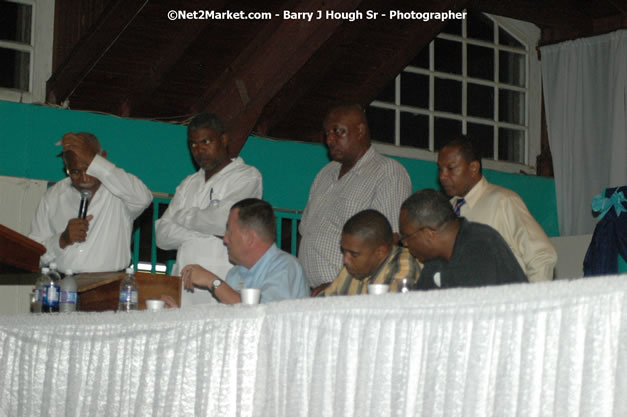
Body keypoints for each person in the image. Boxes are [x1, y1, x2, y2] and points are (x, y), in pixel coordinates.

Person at [299, 104, 412, 290]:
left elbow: (387, 242)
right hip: (309, 292)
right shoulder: (325, 174)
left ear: (360, 130)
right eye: (327, 133)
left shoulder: (388, 172)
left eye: (337, 131)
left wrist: (340, 285)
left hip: (350, 292)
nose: (330, 139)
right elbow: (306, 233)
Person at [155, 113, 262, 305]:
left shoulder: (246, 176)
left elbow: (223, 222)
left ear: (224, 139)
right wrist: (206, 229)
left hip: (223, 288)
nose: (199, 150)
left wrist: (181, 217)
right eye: (193, 144)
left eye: (206, 141)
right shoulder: (188, 183)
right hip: (184, 291)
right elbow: (162, 236)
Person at [437, 136, 557, 282]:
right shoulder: (445, 211)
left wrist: (533, 302)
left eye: (451, 168)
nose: (443, 176)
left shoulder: (502, 201)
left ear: (474, 168)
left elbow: (542, 255)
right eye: (440, 169)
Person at [29, 132, 152, 272]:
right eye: (75, 171)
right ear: (66, 167)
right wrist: (62, 240)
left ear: (103, 158)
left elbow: (144, 198)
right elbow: (33, 254)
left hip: (110, 285)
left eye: (89, 168)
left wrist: (93, 160)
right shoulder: (52, 197)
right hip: (63, 286)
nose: (84, 178)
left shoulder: (120, 193)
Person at [177, 198, 309, 304]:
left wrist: (214, 282)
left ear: (250, 238)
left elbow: (263, 317)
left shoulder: (285, 267)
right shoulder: (234, 273)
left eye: (230, 232)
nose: (225, 240)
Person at [399, 189, 528, 289]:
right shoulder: (435, 259)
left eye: (406, 236)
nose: (404, 243)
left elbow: (470, 316)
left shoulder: (480, 246)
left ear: (428, 234)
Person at [318, 209, 421, 296]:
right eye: (344, 251)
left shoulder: (402, 267)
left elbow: (389, 314)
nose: (345, 261)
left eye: (354, 254)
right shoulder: (352, 269)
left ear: (380, 252)